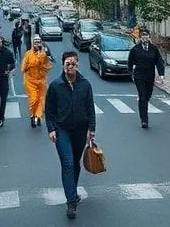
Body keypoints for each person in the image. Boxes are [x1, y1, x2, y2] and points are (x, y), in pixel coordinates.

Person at [45, 51, 96, 219]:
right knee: (67, 163)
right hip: (62, 129)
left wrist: (92, 129)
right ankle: (71, 202)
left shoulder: (85, 84)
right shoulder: (55, 85)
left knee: (75, 162)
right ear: (63, 65)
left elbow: (90, 108)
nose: (70, 66)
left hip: (80, 130)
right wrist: (51, 129)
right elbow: (49, 110)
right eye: (67, 63)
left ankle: (72, 191)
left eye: (73, 63)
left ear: (77, 65)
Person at [127, 31, 165, 129]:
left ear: (149, 37)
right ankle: (144, 120)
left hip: (150, 76)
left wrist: (161, 74)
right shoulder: (135, 49)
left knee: (148, 95)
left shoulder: (154, 49)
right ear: (140, 38)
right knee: (142, 96)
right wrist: (131, 72)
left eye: (146, 37)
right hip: (139, 75)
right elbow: (130, 62)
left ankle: (143, 104)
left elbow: (159, 62)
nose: (145, 39)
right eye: (143, 37)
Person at [22, 35, 53, 129]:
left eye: (38, 42)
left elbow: (48, 66)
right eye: (35, 42)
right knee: (33, 99)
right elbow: (23, 68)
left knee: (41, 100)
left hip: (41, 80)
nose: (37, 43)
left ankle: (38, 116)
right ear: (32, 43)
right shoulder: (28, 54)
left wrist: (43, 62)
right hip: (30, 80)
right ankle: (33, 116)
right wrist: (32, 64)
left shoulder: (44, 54)